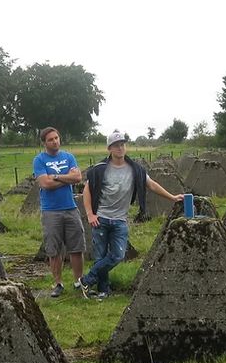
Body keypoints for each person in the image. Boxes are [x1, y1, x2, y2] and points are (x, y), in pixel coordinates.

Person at [80, 131, 184, 300]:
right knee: (100, 256)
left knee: (117, 255)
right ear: (110, 149)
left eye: (122, 144)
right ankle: (103, 291)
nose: (120, 148)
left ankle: (86, 280)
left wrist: (172, 197)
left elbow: (152, 185)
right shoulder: (99, 169)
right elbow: (87, 192)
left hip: (120, 220)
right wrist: (90, 214)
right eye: (116, 145)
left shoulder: (136, 169)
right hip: (101, 218)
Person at [33, 127, 84, 297]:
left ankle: (79, 281)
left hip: (70, 208)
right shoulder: (39, 160)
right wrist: (65, 177)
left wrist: (55, 176)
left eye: (56, 138)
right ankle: (58, 283)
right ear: (44, 143)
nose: (55, 141)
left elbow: (78, 178)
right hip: (51, 211)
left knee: (76, 248)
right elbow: (45, 184)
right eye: (50, 139)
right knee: (54, 250)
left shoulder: (69, 157)